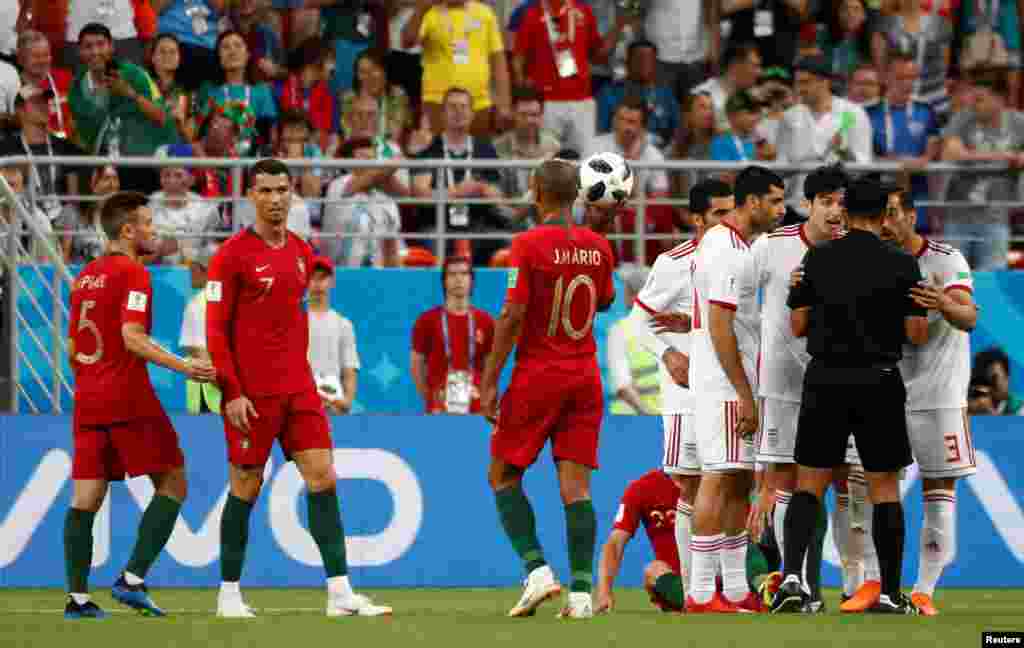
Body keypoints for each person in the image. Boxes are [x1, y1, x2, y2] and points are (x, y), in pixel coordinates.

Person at [205, 158, 390, 618]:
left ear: (293, 194)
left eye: (282, 190)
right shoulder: (230, 256)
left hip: (298, 389)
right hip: (251, 394)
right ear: (251, 196)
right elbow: (215, 333)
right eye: (265, 191)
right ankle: (228, 594)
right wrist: (232, 393)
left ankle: (340, 593)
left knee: (323, 476)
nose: (275, 200)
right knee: (245, 486)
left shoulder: (302, 252)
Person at [771, 177, 929, 615]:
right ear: (883, 216)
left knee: (808, 485)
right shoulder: (902, 264)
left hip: (825, 378)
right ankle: (890, 593)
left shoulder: (817, 258)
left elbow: (798, 327)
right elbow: (917, 334)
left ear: (846, 209)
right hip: (879, 379)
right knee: (883, 490)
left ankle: (790, 581)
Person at [64, 191, 217, 619]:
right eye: (148, 223)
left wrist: (91, 381)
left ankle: (77, 600)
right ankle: (132, 579)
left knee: (86, 497)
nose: (154, 230)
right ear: (128, 230)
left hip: (89, 399)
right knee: (174, 482)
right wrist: (183, 365)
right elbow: (132, 336)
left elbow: (72, 346)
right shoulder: (134, 273)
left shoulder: (86, 277)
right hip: (126, 396)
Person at [480, 158, 615, 620]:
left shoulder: (527, 244)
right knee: (576, 488)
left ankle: (537, 572)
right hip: (584, 377)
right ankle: (580, 594)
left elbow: (512, 315)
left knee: (502, 475)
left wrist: (490, 378)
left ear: (536, 191)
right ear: (578, 193)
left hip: (539, 375)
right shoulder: (599, 248)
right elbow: (607, 299)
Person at [867, 188, 978, 616]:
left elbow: (968, 317)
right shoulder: (870, 260)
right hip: (883, 390)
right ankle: (874, 586)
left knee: (938, 490)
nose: (887, 223)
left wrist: (944, 303)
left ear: (912, 216)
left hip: (939, 394)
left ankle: (923, 591)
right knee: (870, 487)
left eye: (894, 213)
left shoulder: (946, 260)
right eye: (881, 215)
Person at [749, 165, 848, 612]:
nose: (834, 212)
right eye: (825, 202)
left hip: (839, 383)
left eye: (841, 204)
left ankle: (832, 584)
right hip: (783, 385)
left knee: (830, 483)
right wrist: (748, 369)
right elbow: (732, 305)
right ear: (807, 205)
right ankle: (795, 584)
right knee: (787, 482)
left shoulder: (856, 252)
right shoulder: (771, 247)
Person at [687, 165, 785, 613]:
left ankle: (735, 590)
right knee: (717, 475)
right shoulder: (725, 248)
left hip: (735, 380)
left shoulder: (736, 246)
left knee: (738, 482)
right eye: (776, 201)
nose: (782, 210)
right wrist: (744, 392)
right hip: (724, 383)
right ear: (752, 202)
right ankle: (702, 593)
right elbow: (720, 324)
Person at [629, 178, 734, 598]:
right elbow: (639, 320)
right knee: (690, 484)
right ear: (696, 219)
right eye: (718, 215)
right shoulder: (674, 263)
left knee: (729, 483)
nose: (728, 222)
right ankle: (696, 589)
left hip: (728, 387)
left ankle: (726, 587)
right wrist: (669, 355)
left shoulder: (741, 258)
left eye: (732, 212)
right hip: (687, 394)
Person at [67, 23, 178, 193]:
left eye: (101, 44)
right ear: (79, 52)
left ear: (111, 47)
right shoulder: (77, 87)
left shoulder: (135, 74)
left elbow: (161, 116)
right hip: (105, 168)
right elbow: (82, 134)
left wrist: (129, 93)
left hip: (142, 163)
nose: (95, 52)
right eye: (88, 46)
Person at [941, 68, 1024, 272]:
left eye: (980, 99)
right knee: (954, 281)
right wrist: (1007, 157)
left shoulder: (1018, 123)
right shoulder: (962, 118)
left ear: (1000, 99)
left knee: (993, 282)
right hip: (958, 216)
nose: (973, 104)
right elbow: (951, 153)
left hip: (997, 218)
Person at [775, 56, 872, 211]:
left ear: (824, 82)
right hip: (797, 208)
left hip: (840, 209)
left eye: (805, 82)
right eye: (797, 83)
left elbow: (862, 167)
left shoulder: (853, 113)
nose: (800, 89)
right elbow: (781, 168)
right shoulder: (789, 117)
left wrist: (844, 151)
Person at [401, 0, 511, 136]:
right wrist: (420, 10)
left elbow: (498, 60)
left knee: (477, 153)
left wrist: (504, 103)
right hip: (437, 103)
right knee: (438, 153)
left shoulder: (485, 13)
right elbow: (406, 42)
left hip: (479, 103)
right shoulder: (430, 12)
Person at [410, 256, 496, 414]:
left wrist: (484, 396)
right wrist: (431, 396)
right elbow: (417, 366)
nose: (458, 279)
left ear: (471, 280)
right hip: (439, 404)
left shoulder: (486, 321)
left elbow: (491, 367)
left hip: (475, 403)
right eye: (452, 274)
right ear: (444, 281)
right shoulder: (427, 320)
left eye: (464, 274)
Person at [596, 39, 681, 149]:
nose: (644, 64)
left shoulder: (665, 94)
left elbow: (677, 131)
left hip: (658, 153)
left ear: (656, 64)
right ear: (628, 62)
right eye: (639, 59)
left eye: (649, 59)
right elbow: (601, 131)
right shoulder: (609, 92)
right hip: (618, 149)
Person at [307, 257, 360, 415]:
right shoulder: (293, 321)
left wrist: (346, 401)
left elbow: (349, 367)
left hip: (333, 406)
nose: (317, 283)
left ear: (332, 282)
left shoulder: (343, 324)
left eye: (322, 277)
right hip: (301, 404)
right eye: (312, 277)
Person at [606, 265, 658, 415]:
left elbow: (622, 385)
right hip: (665, 420)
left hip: (631, 421)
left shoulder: (620, 331)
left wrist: (647, 415)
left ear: (631, 295)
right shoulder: (672, 327)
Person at [178, 248, 222, 414]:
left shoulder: (196, 303)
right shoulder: (232, 299)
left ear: (203, 270)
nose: (190, 273)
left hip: (208, 393)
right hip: (231, 391)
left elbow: (198, 350)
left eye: (193, 268)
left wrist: (221, 385)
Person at [691, 41, 762, 132]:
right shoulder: (701, 96)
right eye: (754, 66)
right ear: (735, 66)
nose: (759, 72)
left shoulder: (752, 97)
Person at [972, 348, 1023, 415]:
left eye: (994, 378)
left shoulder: (1019, 409)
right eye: (985, 379)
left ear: (1007, 377)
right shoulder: (974, 409)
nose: (989, 385)